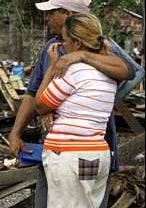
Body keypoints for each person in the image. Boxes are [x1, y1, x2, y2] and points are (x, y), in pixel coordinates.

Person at [8, 0, 142, 207]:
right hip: (79, 148)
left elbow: (131, 71)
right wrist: (16, 132)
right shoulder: (51, 47)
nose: (47, 18)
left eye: (51, 13)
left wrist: (81, 61)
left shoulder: (99, 49)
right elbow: (32, 93)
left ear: (68, 13)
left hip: (72, 151)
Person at [36, 13, 115, 207]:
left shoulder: (73, 72)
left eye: (64, 40)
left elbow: (40, 105)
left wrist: (53, 65)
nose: (62, 45)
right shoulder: (108, 73)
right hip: (95, 154)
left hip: (69, 156)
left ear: (77, 43)